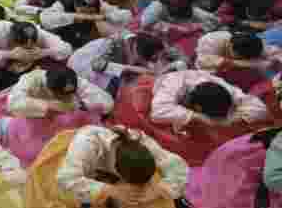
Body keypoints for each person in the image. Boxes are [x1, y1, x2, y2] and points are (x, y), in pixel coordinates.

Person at [26, 125, 188, 208]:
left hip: (112, 178)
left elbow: (179, 168)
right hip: (74, 170)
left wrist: (159, 189)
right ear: (117, 170)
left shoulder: (144, 143)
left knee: (149, 206)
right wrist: (110, 190)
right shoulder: (87, 143)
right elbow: (66, 178)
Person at [114, 70, 270, 166]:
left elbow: (259, 108)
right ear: (197, 108)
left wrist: (232, 119)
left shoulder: (230, 91)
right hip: (154, 96)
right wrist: (199, 118)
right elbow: (158, 113)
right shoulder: (173, 84)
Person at [0, 67, 114, 164]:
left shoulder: (75, 82)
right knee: (36, 154)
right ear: (48, 87)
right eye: (61, 94)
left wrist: (80, 104)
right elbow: (13, 104)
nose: (66, 97)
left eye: (69, 93)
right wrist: (47, 105)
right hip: (31, 117)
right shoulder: (30, 80)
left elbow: (107, 103)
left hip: (64, 118)